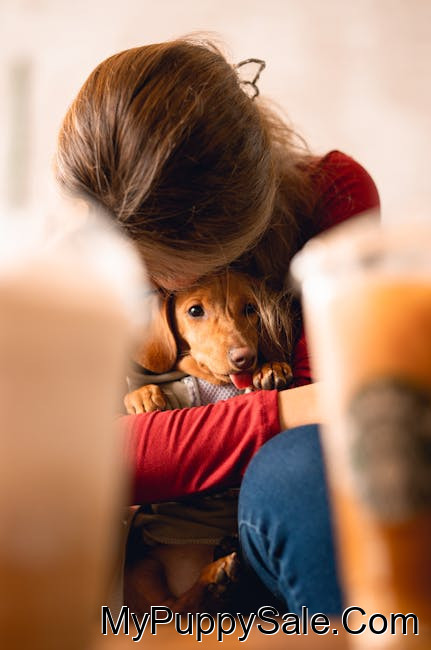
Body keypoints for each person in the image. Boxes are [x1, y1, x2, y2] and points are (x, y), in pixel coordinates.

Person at [56, 37, 380, 614]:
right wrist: (289, 407)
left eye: (158, 274)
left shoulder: (331, 195)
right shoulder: (82, 243)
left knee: (303, 472)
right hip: (148, 535)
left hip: (274, 510)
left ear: (230, 241)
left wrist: (153, 448)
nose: (132, 283)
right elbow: (77, 455)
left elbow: (325, 437)